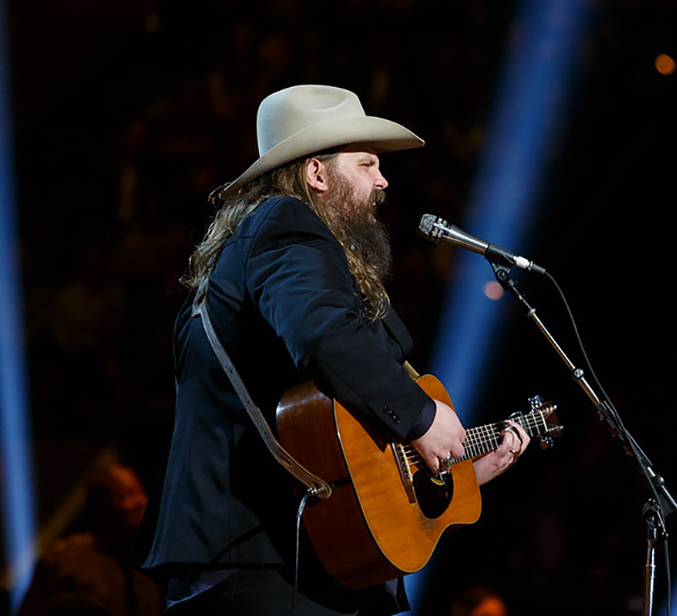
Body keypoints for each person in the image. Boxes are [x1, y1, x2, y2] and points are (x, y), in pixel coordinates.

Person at [133, 84, 530, 615]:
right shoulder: (285, 225)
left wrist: (449, 477)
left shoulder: (257, 245)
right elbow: (322, 334)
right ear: (316, 174)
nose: (383, 180)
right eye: (366, 164)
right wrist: (417, 416)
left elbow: (326, 428)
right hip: (262, 557)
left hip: (285, 556)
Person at [18, 464, 164, 616]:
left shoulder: (151, 559)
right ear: (101, 510)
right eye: (126, 495)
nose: (140, 501)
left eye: (141, 492)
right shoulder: (63, 561)